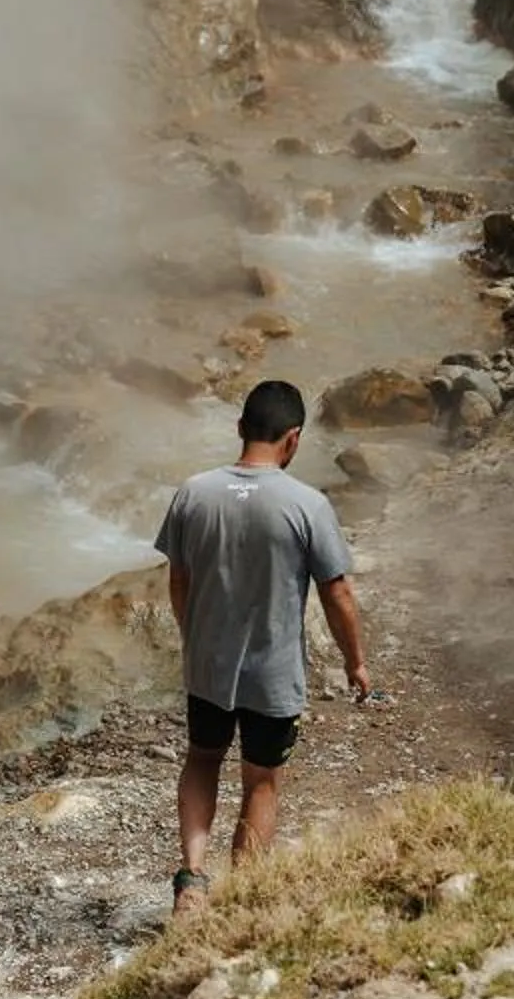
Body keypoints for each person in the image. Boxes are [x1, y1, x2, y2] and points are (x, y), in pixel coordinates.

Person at [154, 379, 370, 913]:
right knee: (261, 780)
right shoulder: (307, 504)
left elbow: (178, 579)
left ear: (239, 428)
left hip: (208, 665)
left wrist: (193, 635)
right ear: (293, 438)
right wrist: (356, 662)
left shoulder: (194, 492)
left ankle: (192, 878)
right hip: (273, 673)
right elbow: (337, 592)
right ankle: (240, 897)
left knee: (202, 759)